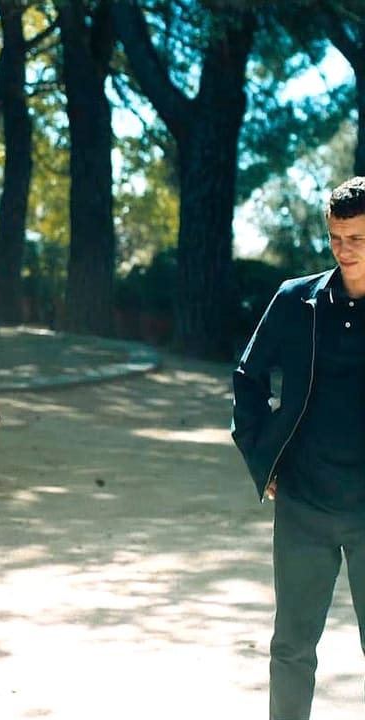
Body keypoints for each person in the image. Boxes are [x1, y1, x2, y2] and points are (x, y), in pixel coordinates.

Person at [232, 175, 365, 720]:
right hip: (304, 504)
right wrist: (262, 459)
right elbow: (248, 375)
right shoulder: (296, 300)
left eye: (356, 238)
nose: (343, 250)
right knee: (291, 648)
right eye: (335, 238)